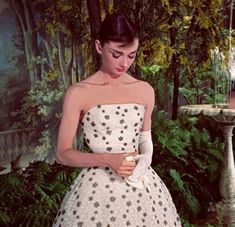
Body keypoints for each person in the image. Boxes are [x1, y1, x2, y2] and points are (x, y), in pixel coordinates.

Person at [53, 13, 182, 227]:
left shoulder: (144, 90)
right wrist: (107, 160)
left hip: (140, 185)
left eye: (131, 55)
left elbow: (144, 140)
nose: (124, 63)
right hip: (97, 190)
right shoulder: (79, 93)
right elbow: (62, 153)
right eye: (116, 54)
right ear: (99, 47)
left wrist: (146, 159)